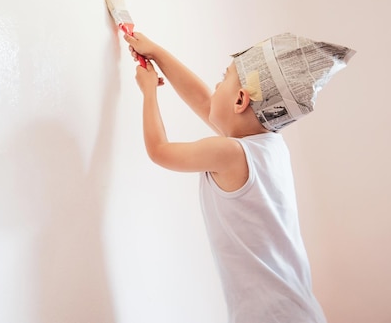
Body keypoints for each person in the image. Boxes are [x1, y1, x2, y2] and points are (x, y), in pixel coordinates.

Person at [123, 31, 355, 323]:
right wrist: (157, 53)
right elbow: (207, 104)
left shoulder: (230, 153)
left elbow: (159, 151)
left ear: (240, 100)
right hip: (296, 311)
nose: (215, 87)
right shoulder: (270, 147)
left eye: (223, 78)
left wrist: (148, 92)